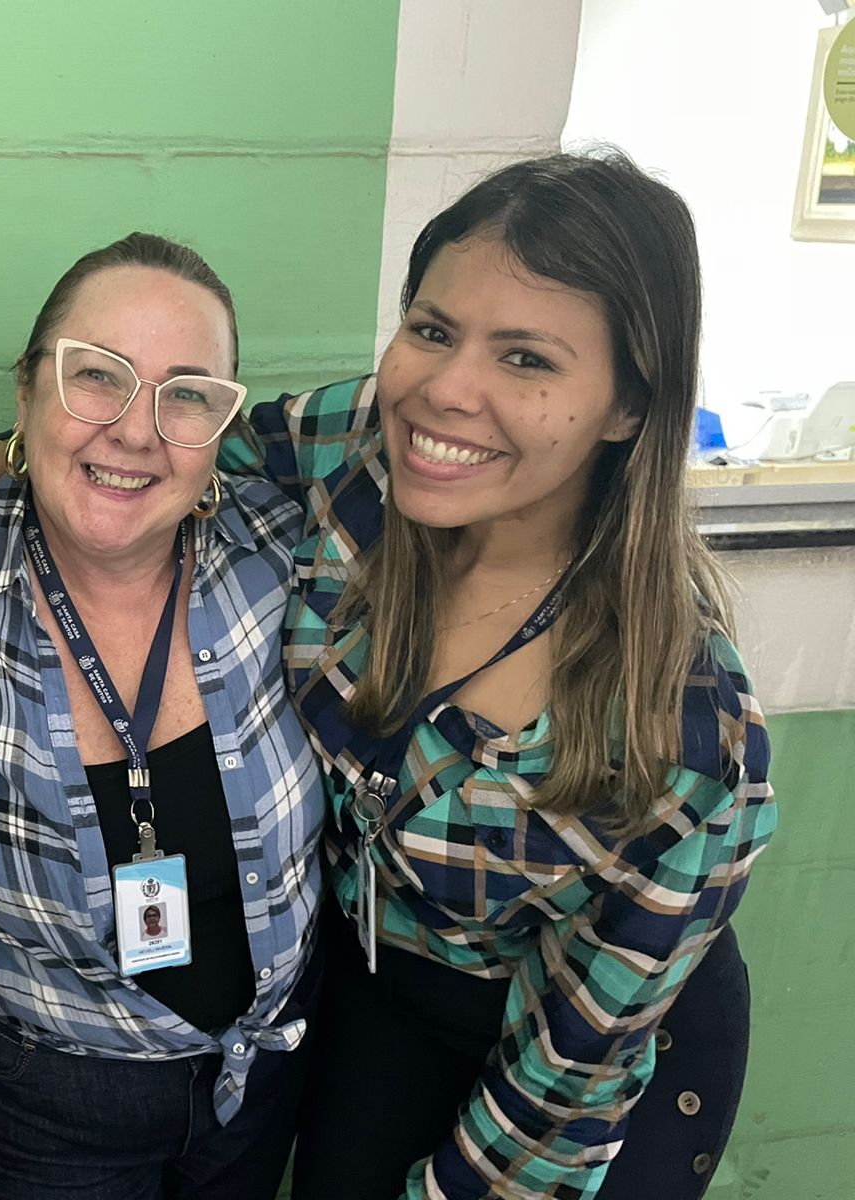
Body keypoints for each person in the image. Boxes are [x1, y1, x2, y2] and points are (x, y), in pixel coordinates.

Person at [220, 151, 777, 1199]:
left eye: (525, 359)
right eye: (432, 331)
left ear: (627, 406)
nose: (445, 391)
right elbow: (167, 442)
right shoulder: (360, 454)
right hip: (373, 990)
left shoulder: (688, 734)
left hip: (575, 1064)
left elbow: (561, 1097)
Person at [0, 232, 327, 1200]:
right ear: (26, 390)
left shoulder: (281, 548)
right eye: (96, 375)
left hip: (261, 1072)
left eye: (187, 395)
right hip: (42, 1099)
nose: (136, 431)